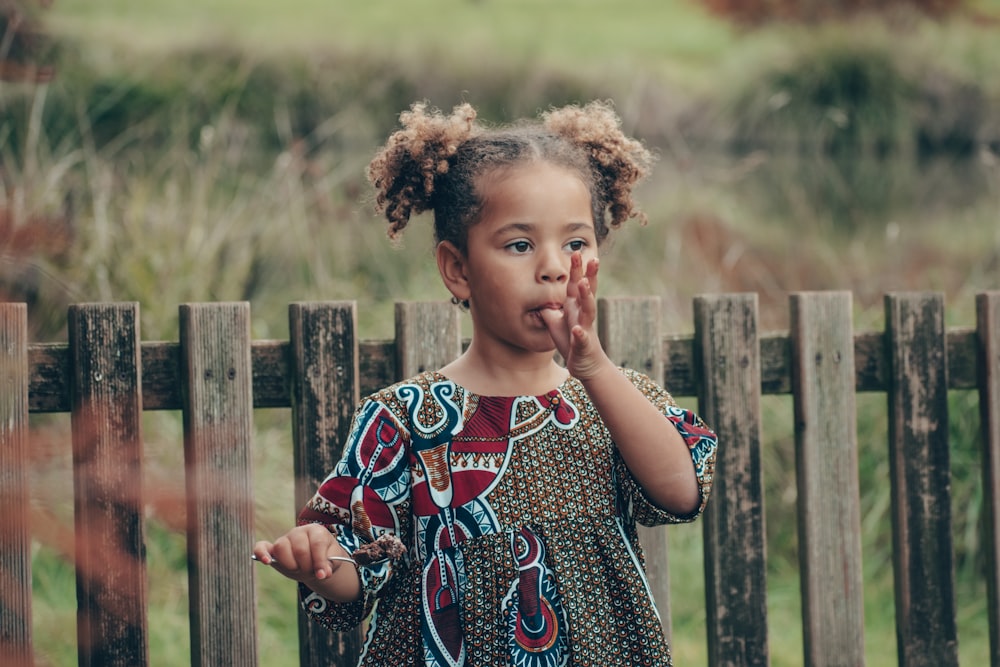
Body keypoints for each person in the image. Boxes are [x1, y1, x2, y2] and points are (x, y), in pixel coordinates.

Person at [253, 99, 718, 666]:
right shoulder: (403, 418)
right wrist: (320, 563)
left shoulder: (616, 400)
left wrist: (593, 368)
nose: (553, 267)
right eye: (519, 245)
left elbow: (681, 494)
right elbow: (362, 568)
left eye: (575, 243)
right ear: (458, 268)